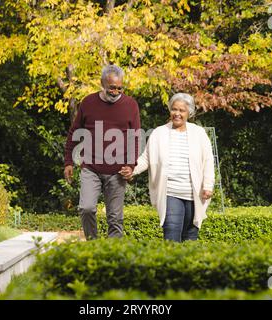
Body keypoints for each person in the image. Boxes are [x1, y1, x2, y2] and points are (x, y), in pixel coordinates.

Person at [119, 93, 215, 242]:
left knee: (190, 237)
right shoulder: (159, 133)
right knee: (171, 233)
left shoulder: (199, 133)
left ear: (189, 112)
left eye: (182, 110)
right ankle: (170, 264)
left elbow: (208, 161)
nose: (177, 113)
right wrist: (133, 169)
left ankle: (189, 265)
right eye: (174, 109)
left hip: (194, 194)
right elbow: (146, 158)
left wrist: (208, 185)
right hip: (170, 192)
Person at [64, 65, 141, 240]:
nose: (115, 92)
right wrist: (68, 161)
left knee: (115, 219)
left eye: (119, 88)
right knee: (86, 208)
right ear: (102, 84)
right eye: (112, 88)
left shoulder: (130, 105)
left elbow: (135, 138)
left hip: (117, 171)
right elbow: (74, 133)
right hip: (91, 167)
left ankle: (111, 256)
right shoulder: (88, 103)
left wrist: (130, 165)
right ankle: (94, 245)